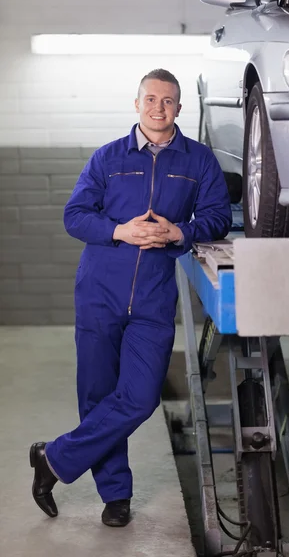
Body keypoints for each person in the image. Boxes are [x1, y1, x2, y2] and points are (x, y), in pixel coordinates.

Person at [29, 69, 232, 527]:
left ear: (180, 108)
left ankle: (53, 457)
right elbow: (75, 215)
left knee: (140, 398)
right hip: (100, 291)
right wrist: (119, 230)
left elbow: (218, 216)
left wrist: (180, 231)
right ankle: (116, 495)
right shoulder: (108, 157)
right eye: (151, 99)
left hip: (155, 298)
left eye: (169, 101)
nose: (159, 108)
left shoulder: (198, 160)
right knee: (99, 396)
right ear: (136, 104)